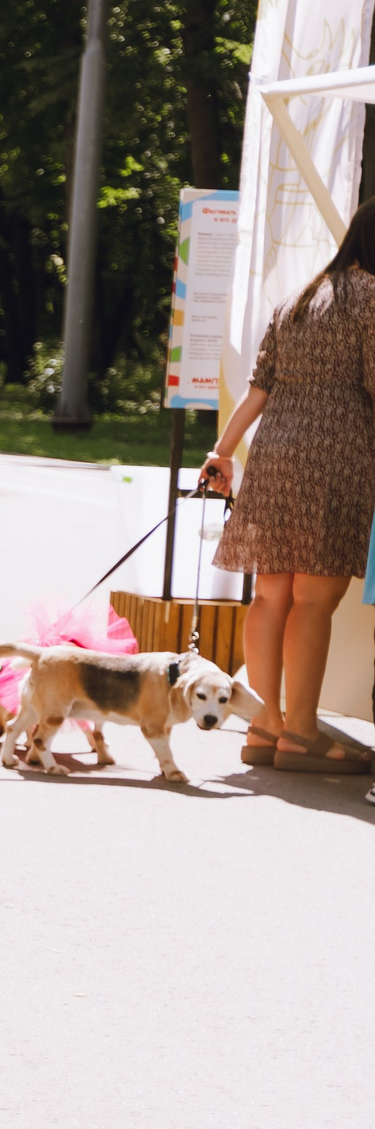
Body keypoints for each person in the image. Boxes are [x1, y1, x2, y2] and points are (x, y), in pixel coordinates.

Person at [198, 202, 375, 775]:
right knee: (315, 601)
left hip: (274, 455)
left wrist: (222, 453)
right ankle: (301, 732)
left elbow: (258, 390)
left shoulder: (298, 298)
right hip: (336, 456)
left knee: (271, 595)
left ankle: (265, 722)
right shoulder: (372, 299)